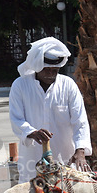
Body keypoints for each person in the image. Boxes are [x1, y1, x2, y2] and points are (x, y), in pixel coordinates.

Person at [9, 37, 92, 183]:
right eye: (46, 69)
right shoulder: (20, 85)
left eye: (55, 70)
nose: (51, 74)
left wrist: (80, 151)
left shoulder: (68, 85)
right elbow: (16, 119)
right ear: (37, 66)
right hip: (32, 159)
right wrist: (32, 132)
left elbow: (80, 121)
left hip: (65, 159)